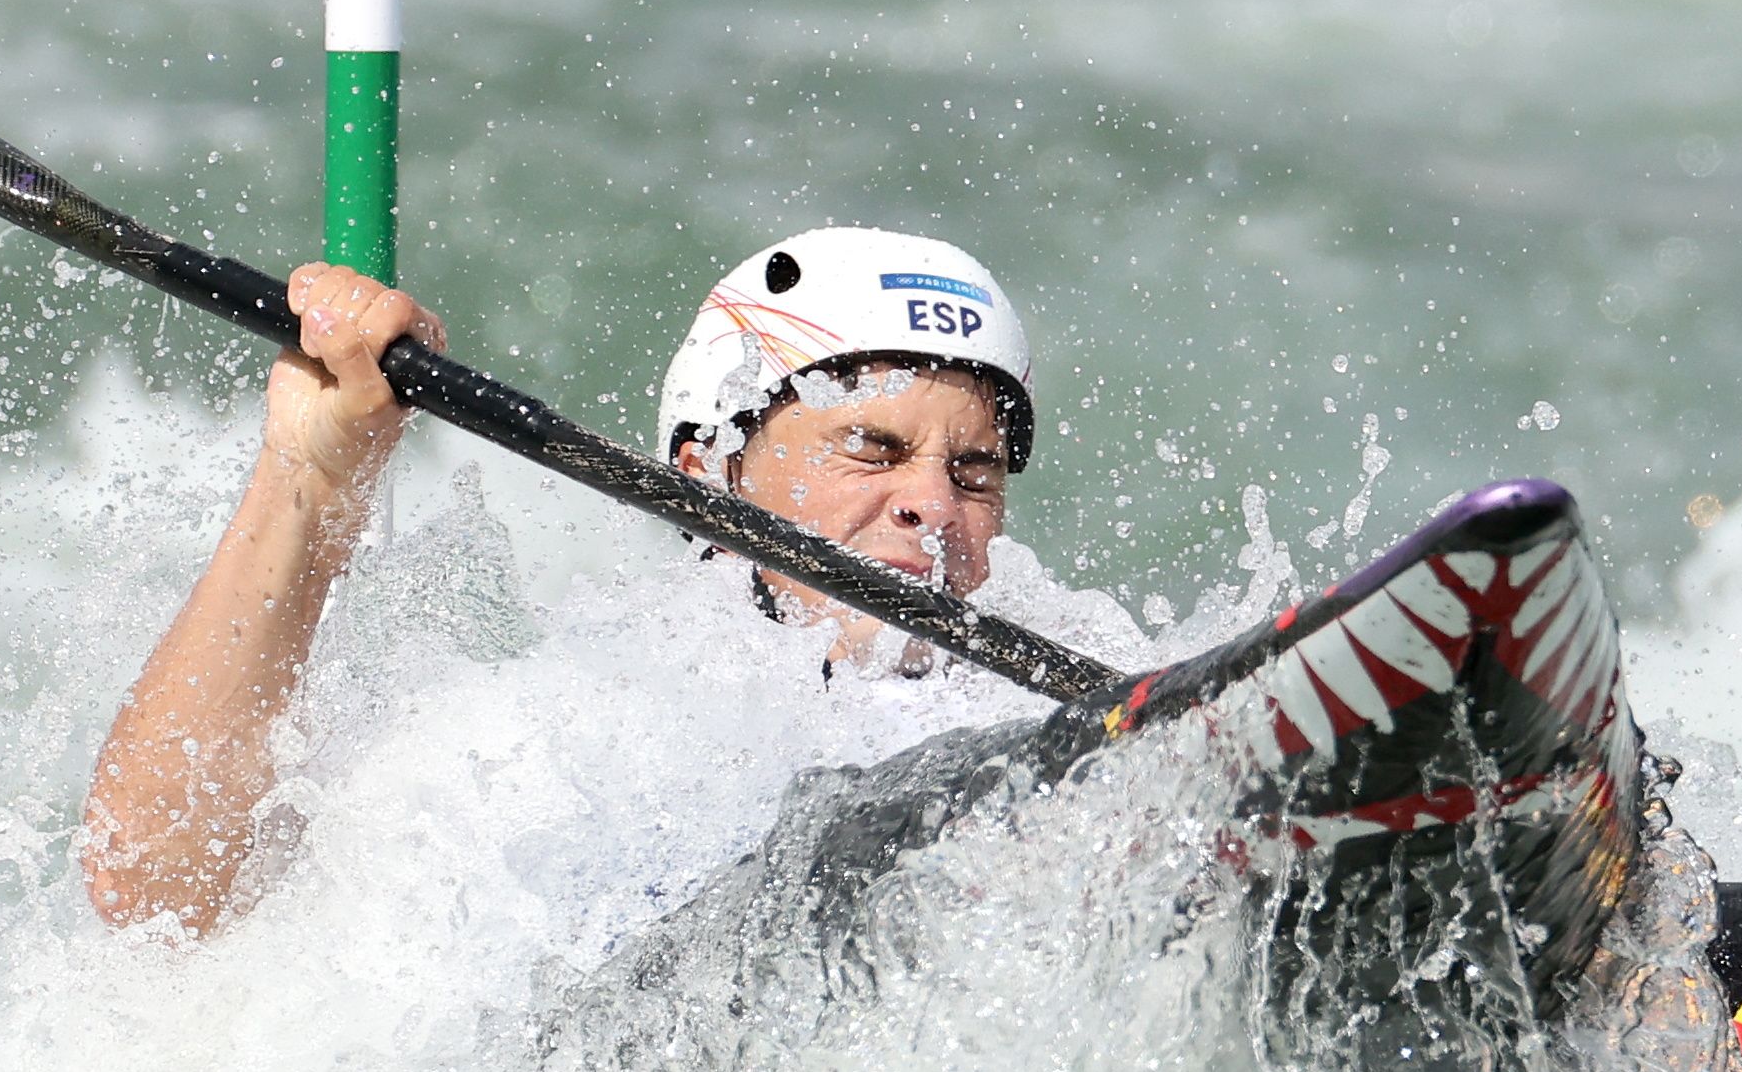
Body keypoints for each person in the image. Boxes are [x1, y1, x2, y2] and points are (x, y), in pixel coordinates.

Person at [81, 226, 1037, 935]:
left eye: (975, 472)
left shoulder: (1059, 710)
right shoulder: (570, 724)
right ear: (709, 470)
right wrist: (308, 482)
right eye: (871, 447)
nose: (934, 507)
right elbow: (155, 895)